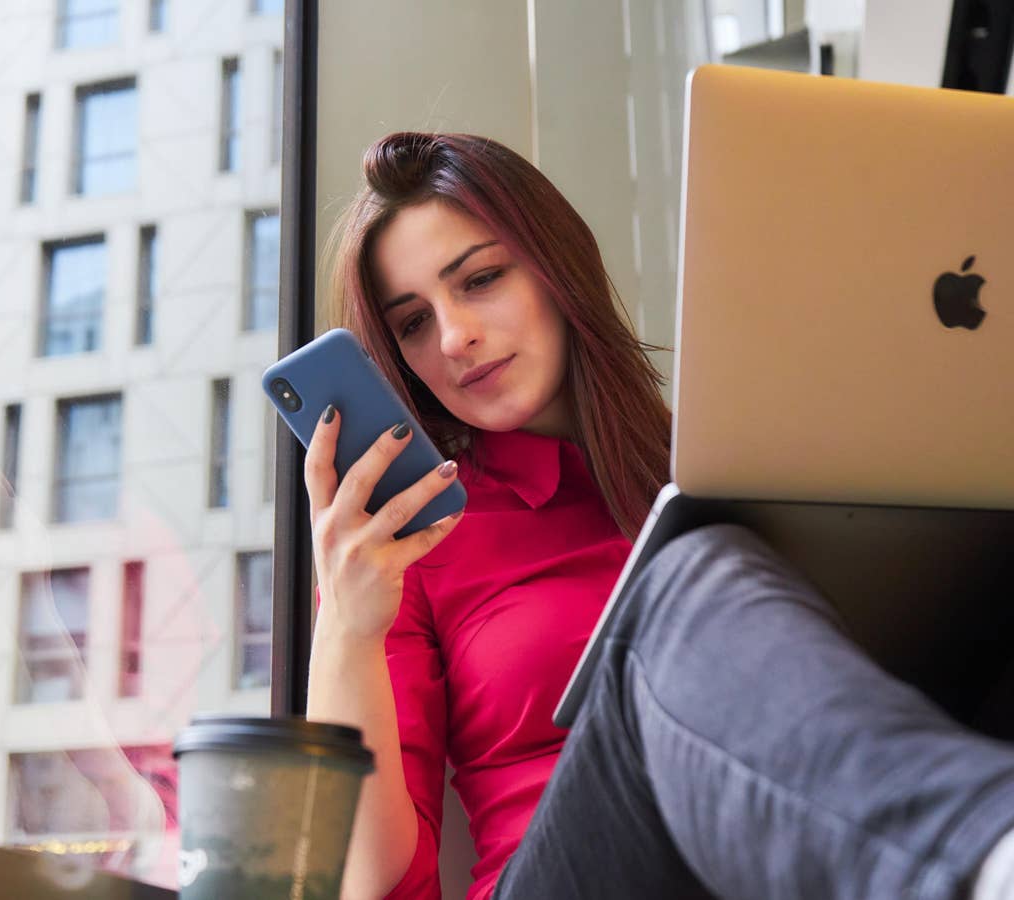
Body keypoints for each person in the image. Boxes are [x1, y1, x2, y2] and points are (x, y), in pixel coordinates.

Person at [302, 131, 1014, 900]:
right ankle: (984, 856)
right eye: (412, 323)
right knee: (676, 580)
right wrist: (349, 624)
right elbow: (363, 885)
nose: (453, 337)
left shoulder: (736, 455)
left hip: (775, 867)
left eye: (479, 279)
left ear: (556, 265)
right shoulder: (407, 544)